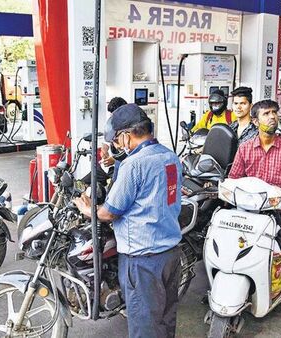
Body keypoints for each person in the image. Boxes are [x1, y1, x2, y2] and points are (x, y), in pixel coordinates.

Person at [74, 103, 182, 337]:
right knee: (165, 320)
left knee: (145, 326)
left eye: (115, 141)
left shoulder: (135, 164)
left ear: (126, 136)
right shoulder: (169, 156)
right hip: (171, 255)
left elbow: (110, 211)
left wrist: (87, 209)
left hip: (142, 260)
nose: (115, 146)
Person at [229, 100, 281, 320]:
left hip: (280, 212)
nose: (272, 117)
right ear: (255, 121)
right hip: (250, 213)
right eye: (266, 114)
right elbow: (234, 178)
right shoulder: (245, 148)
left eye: (275, 113)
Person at [80, 96, 127, 187]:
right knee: (81, 184)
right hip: (104, 169)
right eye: (111, 114)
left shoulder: (131, 129)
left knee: (111, 191)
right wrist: (104, 152)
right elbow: (106, 143)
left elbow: (134, 154)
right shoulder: (111, 125)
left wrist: (114, 160)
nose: (113, 117)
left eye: (115, 114)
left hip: (119, 169)